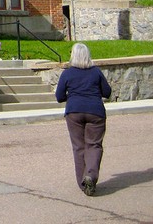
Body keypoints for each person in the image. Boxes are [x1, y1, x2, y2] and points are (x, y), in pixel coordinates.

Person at [55, 43, 112, 196]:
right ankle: (91, 176)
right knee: (93, 145)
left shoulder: (67, 73)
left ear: (73, 55)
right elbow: (107, 92)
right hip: (95, 111)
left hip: (74, 111)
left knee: (79, 147)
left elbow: (59, 97)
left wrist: (73, 97)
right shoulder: (96, 72)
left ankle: (83, 183)